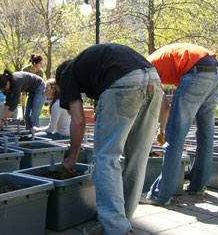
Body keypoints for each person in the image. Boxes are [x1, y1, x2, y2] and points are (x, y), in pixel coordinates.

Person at [56, 43, 163, 235]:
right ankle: (121, 223)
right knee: (137, 158)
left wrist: (72, 156)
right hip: (153, 78)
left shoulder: (68, 73)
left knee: (106, 158)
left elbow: (78, 120)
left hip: (123, 82)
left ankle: (116, 228)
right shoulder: (92, 63)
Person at [140, 43, 218, 206]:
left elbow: (163, 106)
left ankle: (160, 195)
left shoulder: (145, 70)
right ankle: (197, 187)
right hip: (214, 69)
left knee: (175, 136)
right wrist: (162, 129)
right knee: (206, 134)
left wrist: (162, 131)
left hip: (196, 69)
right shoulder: (159, 62)